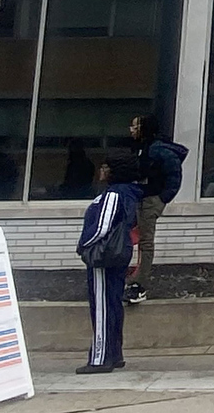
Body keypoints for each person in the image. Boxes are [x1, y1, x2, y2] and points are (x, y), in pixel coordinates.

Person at [76, 150, 141, 375]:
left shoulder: (113, 194)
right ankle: (115, 353)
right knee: (113, 301)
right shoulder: (129, 193)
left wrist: (84, 244)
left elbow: (102, 226)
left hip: (103, 257)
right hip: (118, 254)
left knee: (102, 304)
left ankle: (100, 357)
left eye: (105, 167)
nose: (101, 170)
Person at [124, 114, 188, 304]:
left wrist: (162, 199)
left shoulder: (158, 150)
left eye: (135, 126)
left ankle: (139, 283)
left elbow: (174, 174)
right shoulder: (143, 148)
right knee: (137, 238)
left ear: (143, 128)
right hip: (141, 198)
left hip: (151, 200)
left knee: (146, 242)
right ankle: (134, 276)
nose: (131, 129)